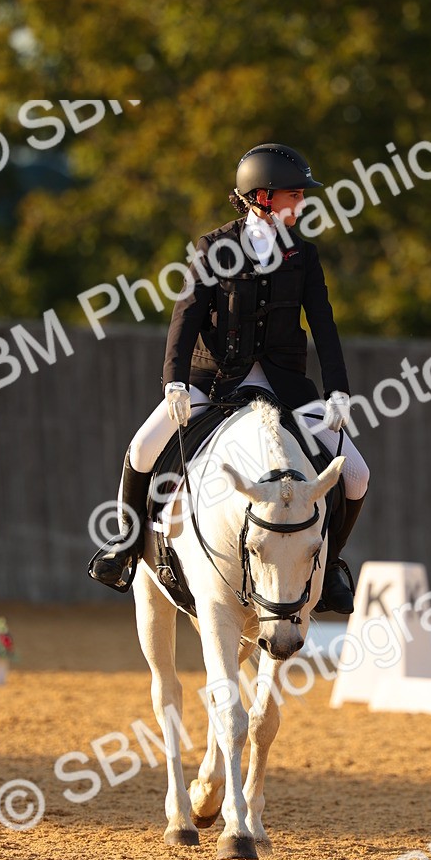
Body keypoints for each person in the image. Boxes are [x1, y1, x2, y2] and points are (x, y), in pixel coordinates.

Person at [88, 142, 370, 612]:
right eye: (293, 195)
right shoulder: (214, 247)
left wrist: (338, 391)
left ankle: (332, 564)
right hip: (214, 381)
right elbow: (185, 318)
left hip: (284, 385)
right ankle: (126, 546)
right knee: (141, 448)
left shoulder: (303, 255)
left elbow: (324, 324)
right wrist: (175, 381)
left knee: (357, 475)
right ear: (261, 196)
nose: (301, 203)